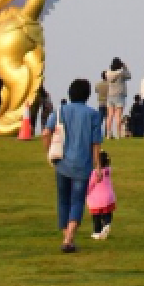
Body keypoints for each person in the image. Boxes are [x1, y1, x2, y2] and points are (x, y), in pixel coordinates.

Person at [51, 79, 102, 253]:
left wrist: (49, 154)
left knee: (63, 200)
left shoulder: (61, 111)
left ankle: (68, 238)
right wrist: (98, 166)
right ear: (87, 95)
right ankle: (69, 238)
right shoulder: (93, 115)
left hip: (62, 163)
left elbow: (45, 132)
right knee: (77, 200)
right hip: (83, 164)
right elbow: (96, 143)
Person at [85, 149, 116, 241]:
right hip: (109, 197)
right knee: (107, 213)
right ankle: (107, 224)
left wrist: (84, 193)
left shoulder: (94, 173)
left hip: (96, 199)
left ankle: (97, 232)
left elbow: (90, 185)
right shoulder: (108, 171)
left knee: (96, 217)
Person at [101, 59, 129, 140]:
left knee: (110, 116)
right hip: (119, 95)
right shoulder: (121, 73)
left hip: (110, 95)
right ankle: (118, 134)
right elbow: (129, 76)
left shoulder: (108, 73)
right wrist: (125, 67)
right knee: (118, 116)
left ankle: (108, 134)